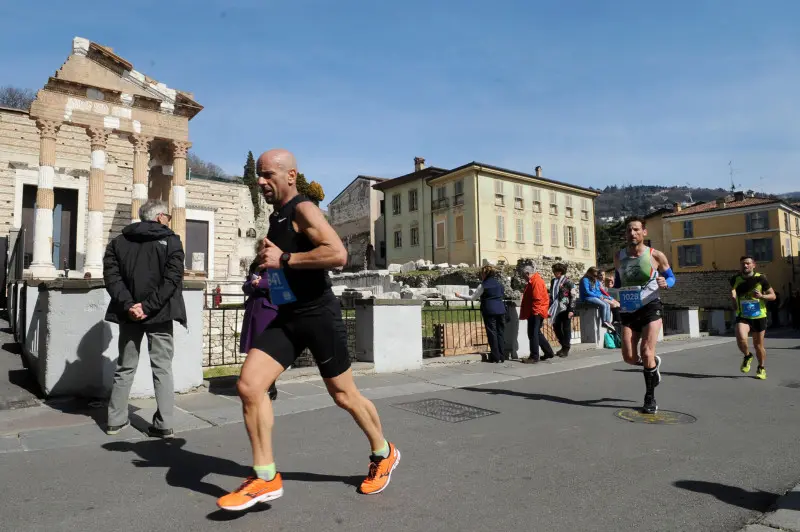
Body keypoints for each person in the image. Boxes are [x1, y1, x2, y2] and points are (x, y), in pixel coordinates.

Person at [217, 149, 400, 512]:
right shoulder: (277, 217)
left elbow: (337, 254)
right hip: (287, 316)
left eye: (267, 174)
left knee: (344, 395)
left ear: (290, 176)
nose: (260, 181)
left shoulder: (304, 209)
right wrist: (268, 265)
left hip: (318, 315)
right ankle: (265, 476)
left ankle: (384, 452)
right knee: (250, 385)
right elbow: (283, 263)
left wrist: (285, 259)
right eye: (258, 174)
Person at [102, 199, 186, 437]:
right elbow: (172, 280)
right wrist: (148, 307)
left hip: (129, 315)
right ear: (160, 217)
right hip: (160, 314)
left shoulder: (118, 242)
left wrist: (130, 305)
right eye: (167, 216)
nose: (168, 220)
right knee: (162, 367)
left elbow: (111, 278)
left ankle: (115, 421)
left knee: (125, 367)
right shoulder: (171, 241)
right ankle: (164, 424)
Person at [613, 216, 675, 414]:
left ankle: (650, 398)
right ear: (625, 234)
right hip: (629, 308)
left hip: (650, 307)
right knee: (629, 358)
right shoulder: (618, 256)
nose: (632, 233)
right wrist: (611, 287)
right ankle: (653, 365)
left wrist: (667, 283)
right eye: (629, 230)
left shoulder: (655, 255)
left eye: (636, 230)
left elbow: (671, 277)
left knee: (647, 351)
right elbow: (618, 281)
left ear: (644, 232)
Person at [240, 240, 279, 401]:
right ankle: (257, 383)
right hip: (253, 310)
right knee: (253, 348)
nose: (264, 252)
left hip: (268, 309)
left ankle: (270, 385)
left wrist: (260, 283)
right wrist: (253, 285)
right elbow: (246, 286)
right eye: (262, 249)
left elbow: (279, 284)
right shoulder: (254, 266)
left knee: (266, 350)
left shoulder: (276, 265)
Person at [730, 256, 776, 380]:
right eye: (743, 264)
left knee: (758, 346)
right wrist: (733, 300)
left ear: (753, 265)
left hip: (759, 316)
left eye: (747, 263)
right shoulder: (735, 279)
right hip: (743, 315)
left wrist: (761, 296)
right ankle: (747, 355)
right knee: (741, 337)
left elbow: (773, 296)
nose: (745, 266)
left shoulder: (761, 278)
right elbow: (733, 292)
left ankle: (761, 368)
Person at [455, 265, 507, 363]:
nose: (481, 275)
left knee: (492, 333)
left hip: (489, 311)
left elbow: (472, 298)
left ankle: (495, 357)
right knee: (500, 333)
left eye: (482, 273)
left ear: (485, 274)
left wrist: (459, 295)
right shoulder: (499, 284)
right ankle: (502, 356)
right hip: (501, 310)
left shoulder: (483, 285)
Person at [519, 263, 556, 363]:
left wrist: (535, 312)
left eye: (524, 276)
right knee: (537, 333)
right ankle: (548, 352)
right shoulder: (535, 280)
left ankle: (534, 356)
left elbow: (537, 299)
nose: (523, 278)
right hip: (537, 311)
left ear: (527, 273)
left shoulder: (536, 281)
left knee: (533, 334)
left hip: (536, 311)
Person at [548, 263, 576, 358]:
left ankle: (566, 348)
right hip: (555, 307)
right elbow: (551, 294)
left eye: (555, 271)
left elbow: (573, 296)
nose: (554, 273)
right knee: (556, 327)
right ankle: (563, 345)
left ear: (560, 272)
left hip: (565, 308)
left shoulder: (568, 282)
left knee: (566, 328)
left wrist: (571, 309)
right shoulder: (553, 281)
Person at [579, 266, 617, 330]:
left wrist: (607, 297)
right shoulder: (585, 280)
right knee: (603, 305)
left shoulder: (595, 280)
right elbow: (587, 291)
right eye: (594, 275)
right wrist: (598, 296)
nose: (595, 277)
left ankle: (608, 322)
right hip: (587, 297)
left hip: (594, 297)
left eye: (596, 276)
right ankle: (604, 322)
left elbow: (598, 292)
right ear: (589, 273)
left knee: (607, 304)